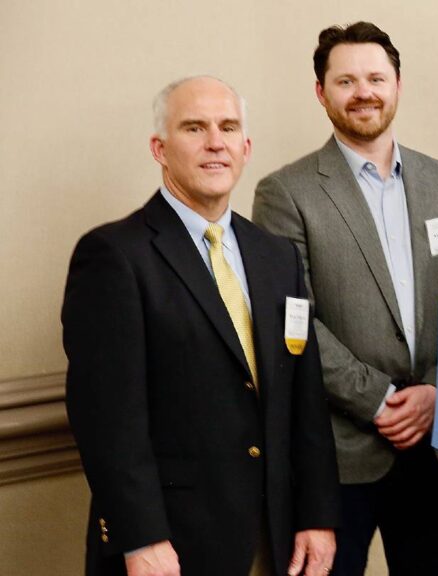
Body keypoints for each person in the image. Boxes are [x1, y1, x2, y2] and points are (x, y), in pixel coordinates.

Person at [62, 76, 338, 576]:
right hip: (168, 545)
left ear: (246, 147)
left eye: (228, 127)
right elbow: (106, 420)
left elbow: (304, 399)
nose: (215, 142)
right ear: (159, 148)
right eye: (194, 128)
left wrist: (317, 515)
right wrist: (139, 536)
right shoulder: (115, 256)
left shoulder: (276, 256)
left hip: (271, 538)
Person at [251, 22, 438, 576]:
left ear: (398, 84)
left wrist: (434, 390)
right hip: (337, 453)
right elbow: (290, 316)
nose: (364, 92)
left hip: (435, 446)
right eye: (346, 80)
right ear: (321, 92)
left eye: (376, 77)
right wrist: (378, 399)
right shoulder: (285, 193)